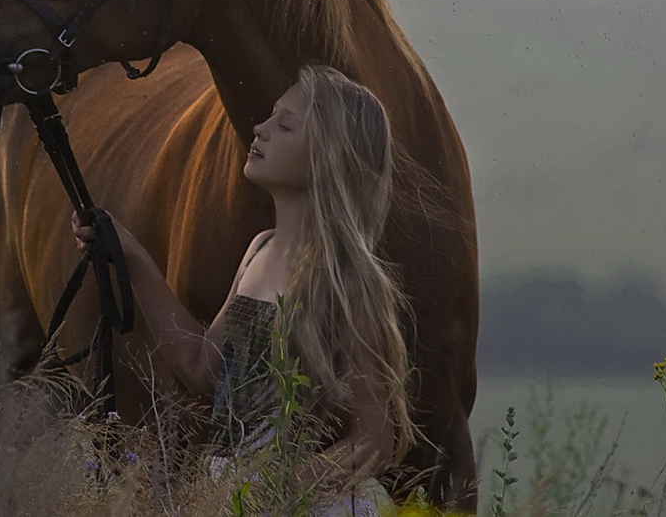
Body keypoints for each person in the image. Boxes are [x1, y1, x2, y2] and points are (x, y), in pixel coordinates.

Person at [70, 65, 415, 515]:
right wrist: (130, 256)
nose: (260, 128)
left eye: (285, 124)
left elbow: (374, 441)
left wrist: (270, 491)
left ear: (330, 156)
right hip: (233, 497)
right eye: (271, 117)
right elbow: (201, 370)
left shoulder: (347, 281)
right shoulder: (259, 251)